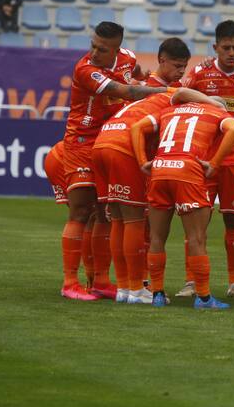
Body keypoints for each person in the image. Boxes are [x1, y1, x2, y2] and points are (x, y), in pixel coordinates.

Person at [92, 39, 219, 304]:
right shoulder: (170, 93)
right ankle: (137, 287)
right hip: (124, 145)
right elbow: (182, 94)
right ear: (161, 60)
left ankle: (126, 288)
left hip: (104, 140)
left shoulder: (146, 91)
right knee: (133, 220)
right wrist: (213, 103)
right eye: (176, 66)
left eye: (184, 67)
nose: (181, 72)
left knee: (117, 219)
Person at [59, 22, 168, 301]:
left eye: (102, 48)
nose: (94, 52)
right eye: (92, 45)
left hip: (108, 139)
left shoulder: (128, 58)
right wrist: (168, 93)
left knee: (104, 212)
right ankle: (70, 282)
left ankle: (100, 281)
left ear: (117, 49)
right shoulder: (85, 69)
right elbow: (126, 92)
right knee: (81, 211)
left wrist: (141, 78)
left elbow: (133, 79)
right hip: (81, 142)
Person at [180, 20, 234, 300]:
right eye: (226, 48)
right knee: (197, 223)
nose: (231, 53)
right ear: (215, 47)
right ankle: (191, 281)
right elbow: (179, 104)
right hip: (203, 161)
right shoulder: (199, 74)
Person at [130, 99, 234, 309]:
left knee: (156, 237)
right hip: (188, 169)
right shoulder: (217, 113)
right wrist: (215, 164)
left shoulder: (169, 110)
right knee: (196, 238)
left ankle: (158, 294)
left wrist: (143, 161)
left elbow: (137, 127)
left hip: (160, 168)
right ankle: (204, 297)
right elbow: (233, 130)